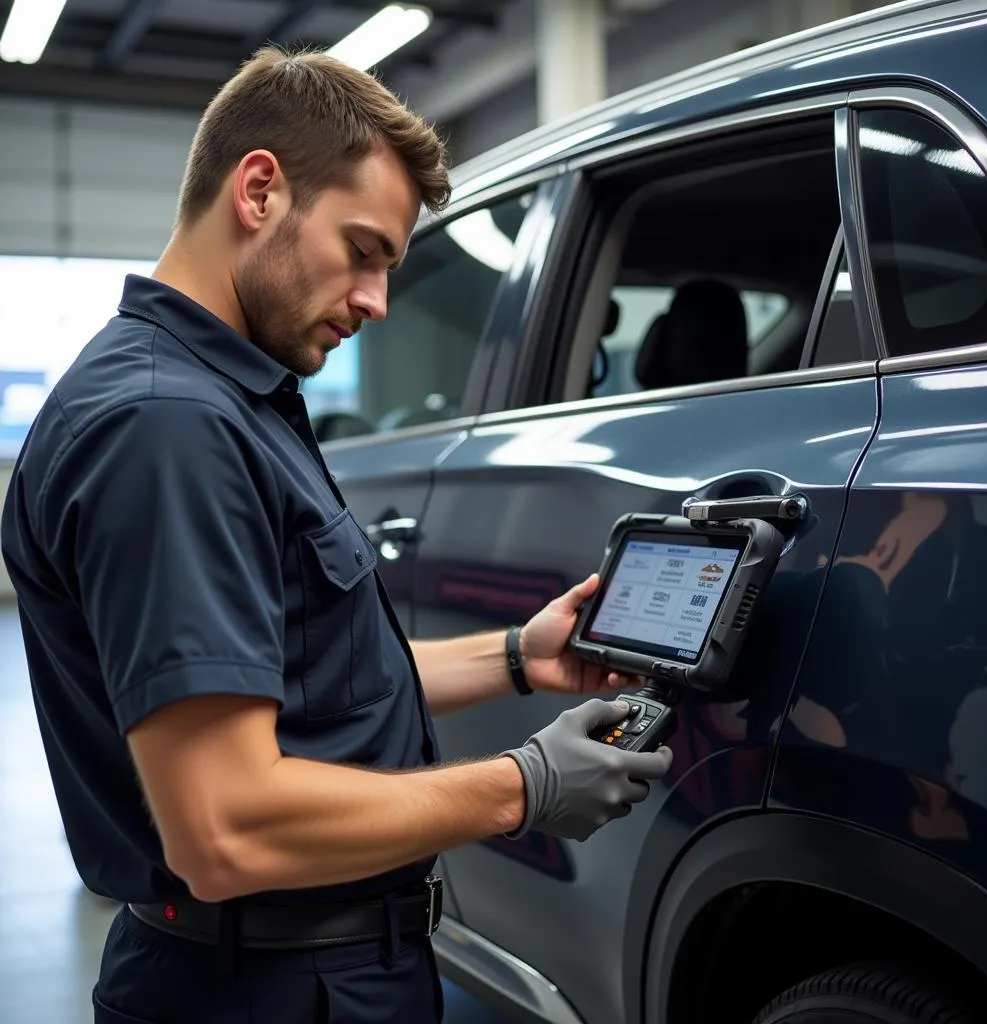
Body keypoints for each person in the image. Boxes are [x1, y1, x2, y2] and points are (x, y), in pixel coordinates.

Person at [0, 46, 673, 1024]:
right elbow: (223, 828)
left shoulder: (223, 400)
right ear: (261, 190)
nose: (375, 302)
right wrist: (522, 785)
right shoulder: (167, 429)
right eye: (363, 252)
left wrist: (516, 657)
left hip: (292, 975)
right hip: (267, 991)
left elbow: (302, 680)